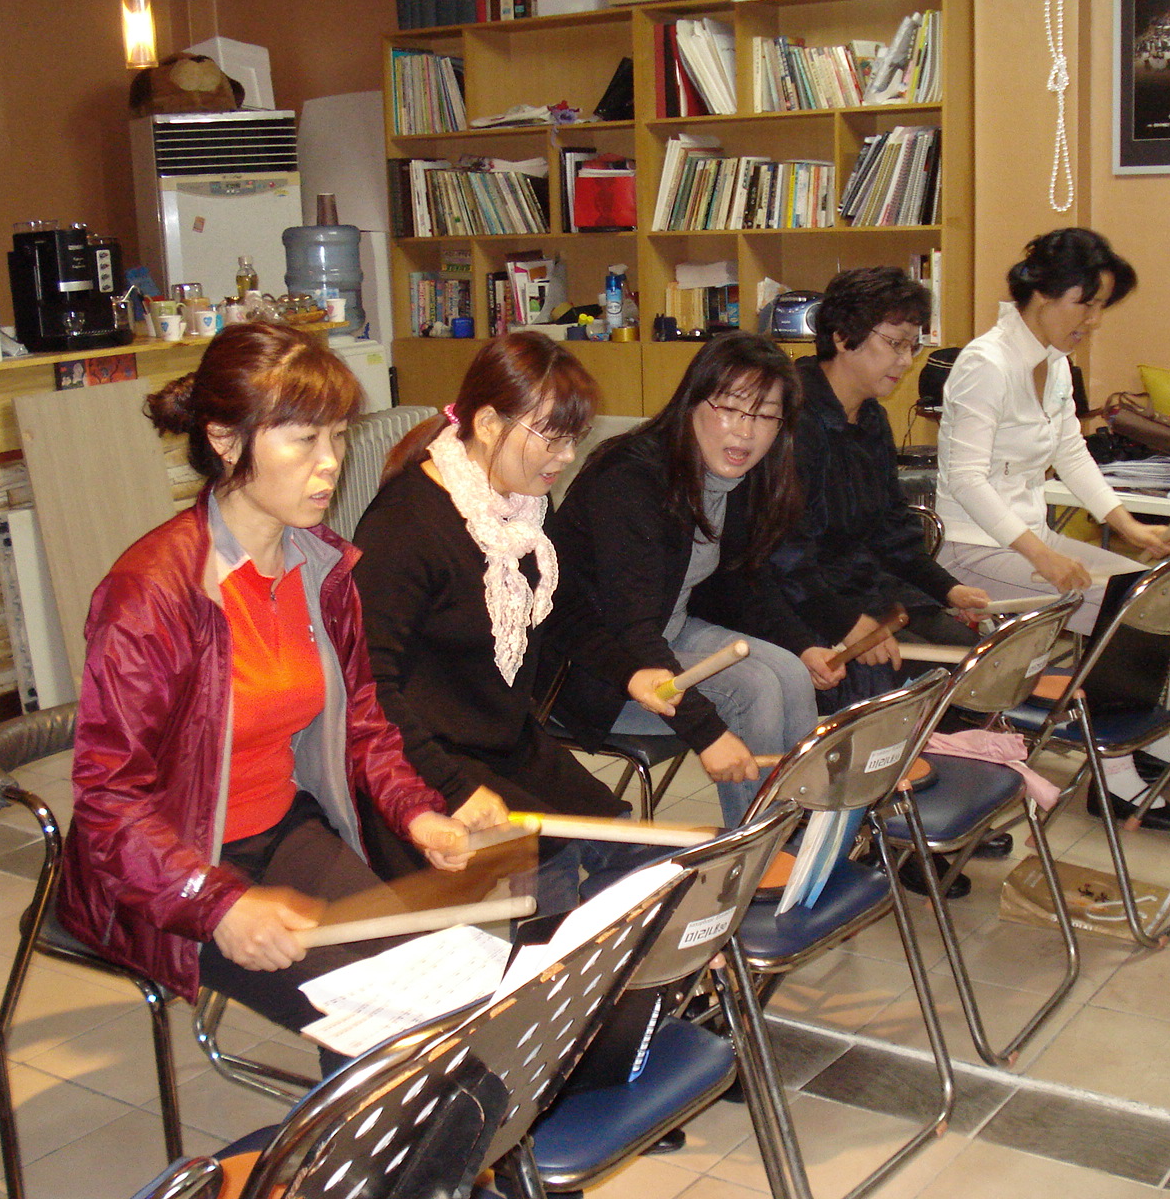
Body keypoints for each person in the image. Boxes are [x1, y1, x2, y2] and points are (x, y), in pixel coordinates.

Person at [58, 321, 501, 1046]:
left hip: (281, 827)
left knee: (451, 986)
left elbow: (361, 723)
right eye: (303, 441)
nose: (330, 465)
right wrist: (217, 904)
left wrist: (418, 813)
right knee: (387, 1023)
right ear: (226, 442)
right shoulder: (152, 592)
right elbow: (109, 802)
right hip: (177, 865)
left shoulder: (321, 568)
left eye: (338, 438)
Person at [352, 332, 672, 897]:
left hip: (508, 742)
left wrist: (630, 673)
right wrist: (453, 787)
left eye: (574, 440)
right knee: (550, 861)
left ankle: (614, 953)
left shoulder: (522, 510)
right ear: (487, 423)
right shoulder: (403, 526)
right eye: (551, 439)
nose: (566, 458)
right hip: (425, 757)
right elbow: (369, 687)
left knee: (631, 847)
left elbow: (560, 609)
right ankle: (552, 954)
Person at [934, 227, 1170, 830]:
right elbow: (966, 480)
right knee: (1127, 609)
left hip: (1025, 539)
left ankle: (1152, 740)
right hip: (970, 550)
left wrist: (1127, 525)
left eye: (1099, 306)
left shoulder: (1055, 362)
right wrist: (1042, 556)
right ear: (1041, 294)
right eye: (1084, 304)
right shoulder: (986, 364)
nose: (1092, 320)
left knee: (1162, 591)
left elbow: (1071, 452)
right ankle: (1114, 777)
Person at [549, 331, 842, 827]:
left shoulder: (736, 476)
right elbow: (630, 630)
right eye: (730, 408)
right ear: (692, 402)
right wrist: (707, 733)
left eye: (765, 416)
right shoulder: (631, 479)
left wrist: (803, 644)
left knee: (791, 671)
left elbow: (741, 581)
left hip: (668, 631)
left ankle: (807, 838)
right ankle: (758, 852)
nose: (745, 433)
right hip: (596, 671)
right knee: (754, 688)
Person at [772, 265, 993, 704]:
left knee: (982, 663)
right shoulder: (793, 418)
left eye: (912, 346)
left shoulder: (871, 416)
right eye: (895, 344)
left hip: (869, 591)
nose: (906, 361)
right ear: (842, 336)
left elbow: (891, 527)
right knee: (941, 688)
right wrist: (846, 623)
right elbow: (783, 556)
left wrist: (945, 587)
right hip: (806, 608)